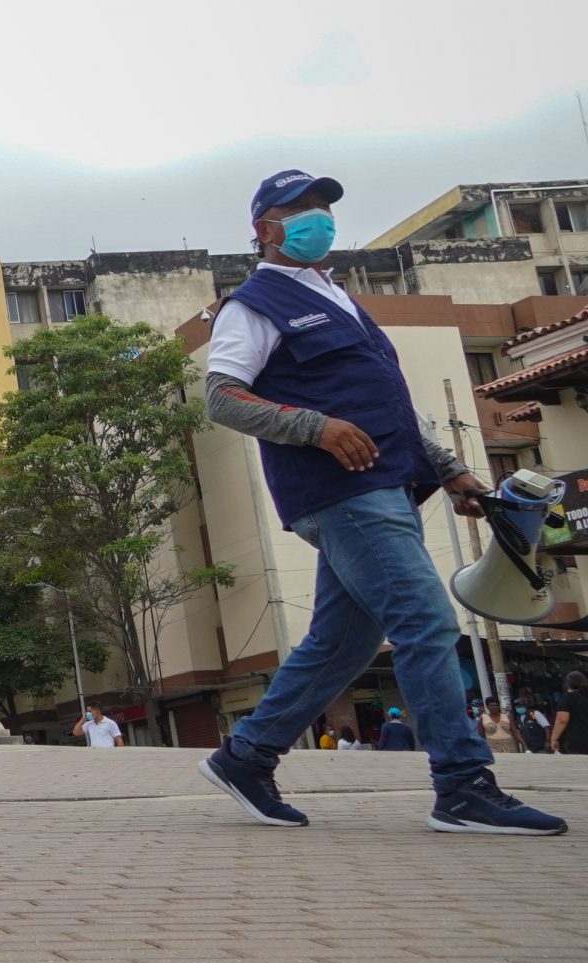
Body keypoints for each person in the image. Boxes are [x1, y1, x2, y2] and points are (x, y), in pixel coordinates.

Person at [195, 169, 563, 836]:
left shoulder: (339, 296)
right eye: (299, 209)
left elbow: (385, 406)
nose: (317, 219)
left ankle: (245, 756)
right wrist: (316, 426)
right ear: (265, 229)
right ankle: (462, 784)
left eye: (323, 207)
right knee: (426, 620)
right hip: (342, 492)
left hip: (387, 482)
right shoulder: (252, 304)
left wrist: (452, 471)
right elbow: (223, 397)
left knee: (343, 643)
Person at [554, 672, 587, 755]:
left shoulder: (568, 698)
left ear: (568, 684)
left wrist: (554, 738)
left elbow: (562, 720)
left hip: (579, 743)